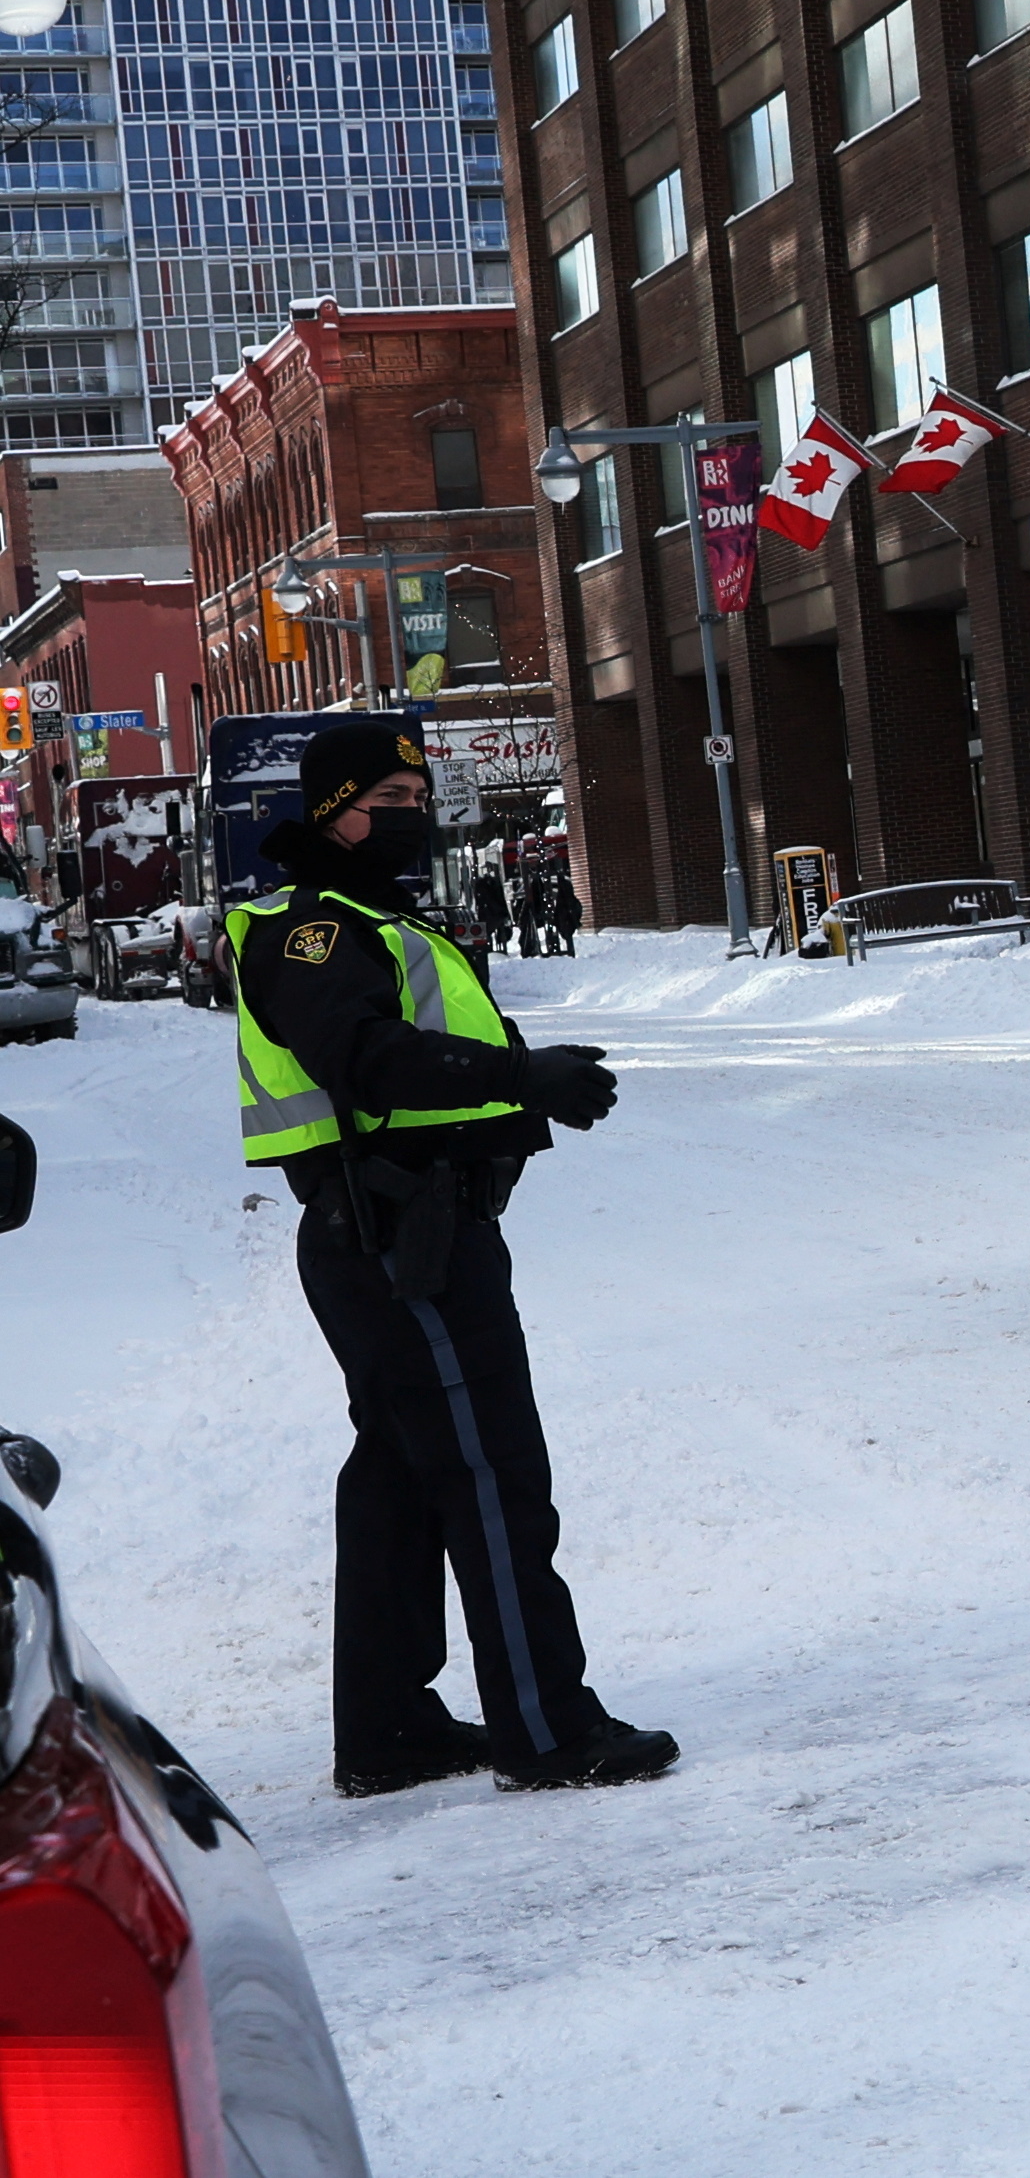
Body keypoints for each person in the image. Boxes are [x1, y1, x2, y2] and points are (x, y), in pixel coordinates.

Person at [230, 719, 676, 1797]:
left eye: (418, 791)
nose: (412, 810)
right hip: (398, 1238)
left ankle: (387, 1727)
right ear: (335, 806)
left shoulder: (378, 921)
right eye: (389, 793)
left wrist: (520, 1086)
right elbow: (368, 1058)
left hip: (412, 1230)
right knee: (491, 1473)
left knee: (401, 1479)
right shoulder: (312, 933)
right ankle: (548, 1725)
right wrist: (528, 1083)